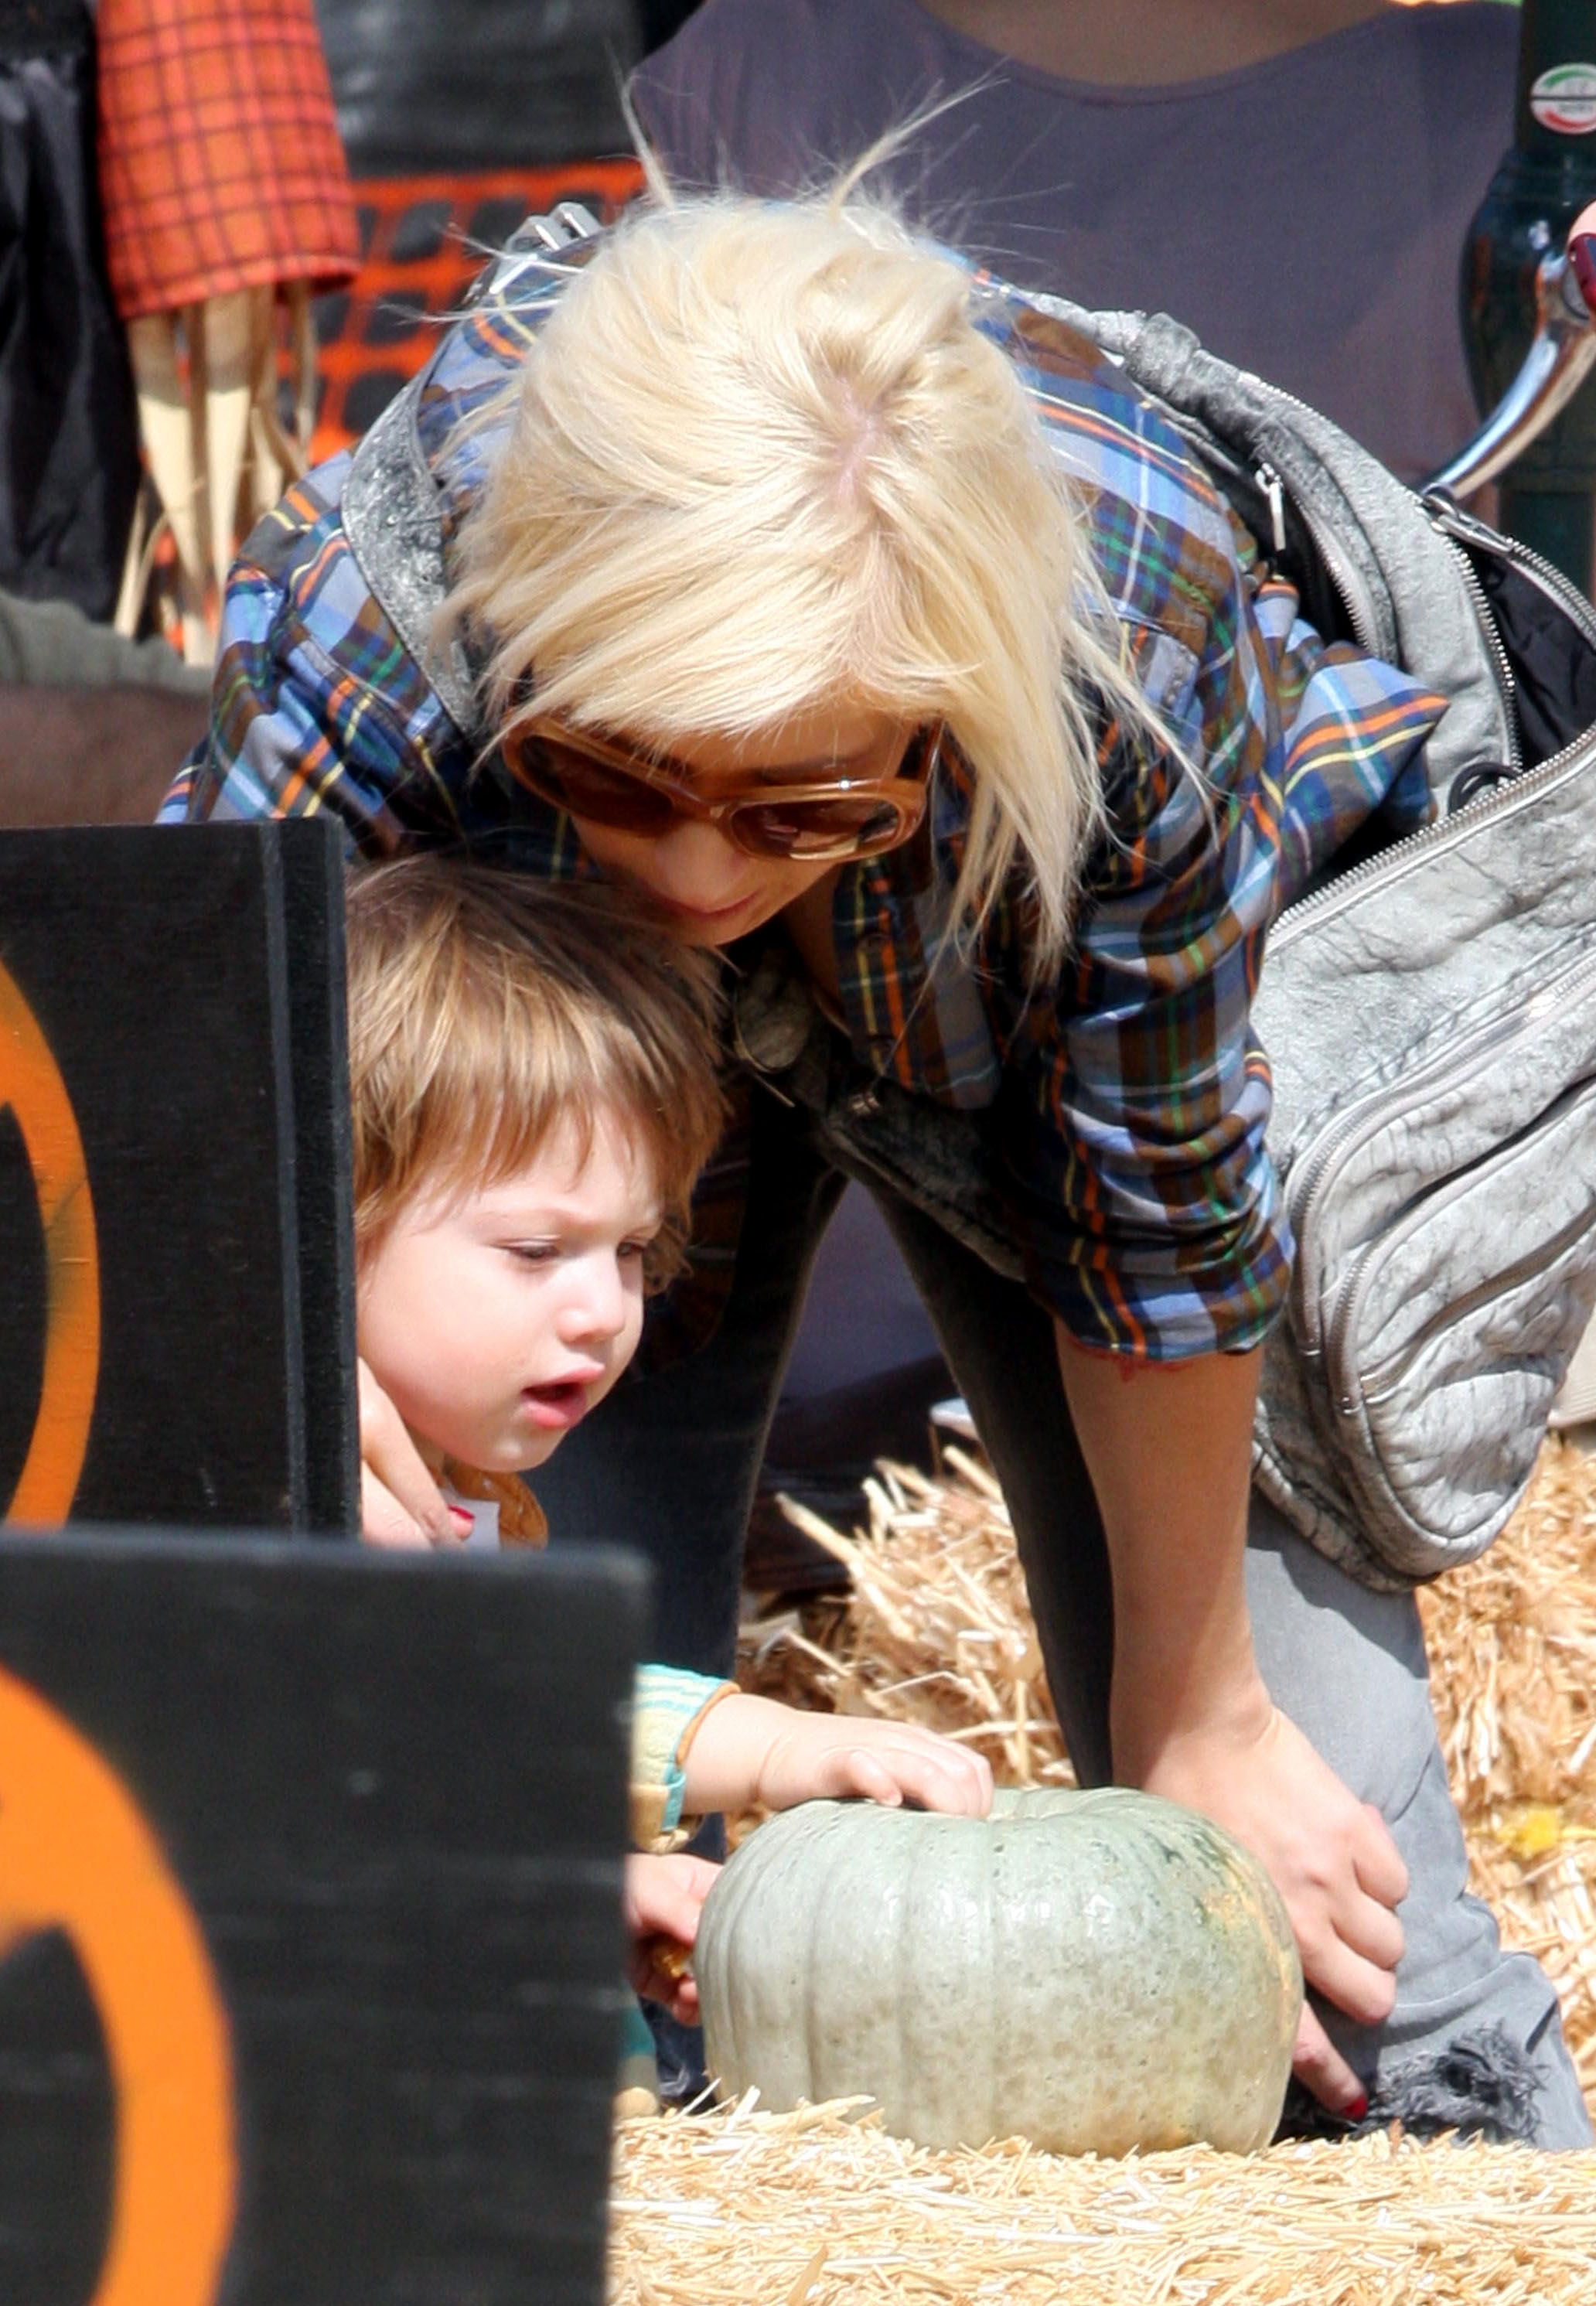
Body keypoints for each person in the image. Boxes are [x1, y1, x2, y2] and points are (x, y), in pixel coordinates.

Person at [163, 174, 1588, 2144]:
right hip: (553, 1122)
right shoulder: (372, 605)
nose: (698, 881)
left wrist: (1197, 1710)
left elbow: (1164, 1212)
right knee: (520, 1851)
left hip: (1025, 1074)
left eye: (800, 806)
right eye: (618, 775)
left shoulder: (1126, 633)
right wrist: (276, 1362)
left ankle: (1466, 2167)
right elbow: (179, 1108)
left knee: (1334, 1920)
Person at [344, 855, 994, 2035]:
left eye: (632, 1250)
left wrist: (589, 1888)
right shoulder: (267, 1510)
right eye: (536, 1251)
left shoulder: (469, 1496)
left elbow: (493, 1739)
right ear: (332, 1226)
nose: (605, 1310)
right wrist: (769, 1753)